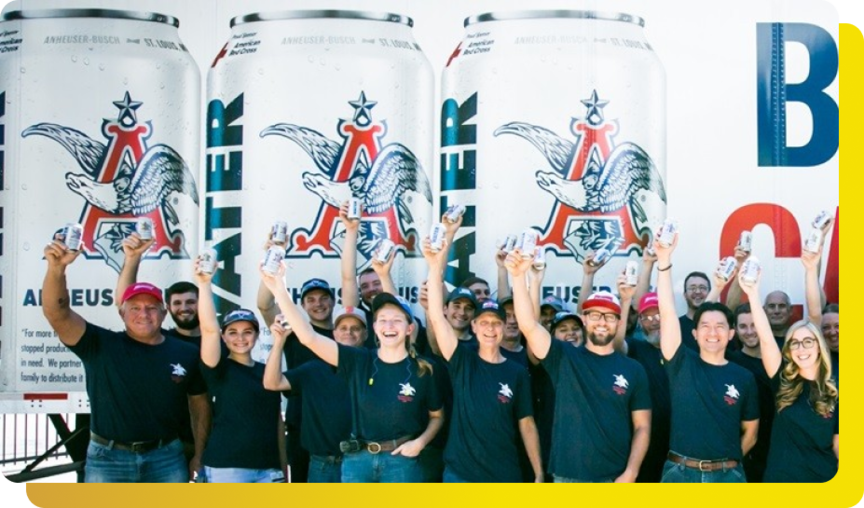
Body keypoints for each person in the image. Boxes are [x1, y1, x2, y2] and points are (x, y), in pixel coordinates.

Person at [42, 237, 208, 482]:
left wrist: (200, 454)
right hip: (107, 459)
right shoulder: (100, 345)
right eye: (135, 308)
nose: (144, 314)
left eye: (151, 308)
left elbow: (200, 406)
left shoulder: (186, 352)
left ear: (164, 313)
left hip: (167, 457)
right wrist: (57, 269)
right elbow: (57, 314)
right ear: (122, 313)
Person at [260, 263, 444, 483]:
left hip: (402, 462)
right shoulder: (358, 360)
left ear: (409, 328)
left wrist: (420, 443)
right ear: (374, 327)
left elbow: (437, 416)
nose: (389, 326)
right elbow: (308, 337)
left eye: (397, 320)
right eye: (383, 320)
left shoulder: (424, 368)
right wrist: (278, 289)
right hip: (358, 462)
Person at [506, 250, 651, 483]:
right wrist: (517, 276)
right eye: (595, 315)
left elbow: (642, 427)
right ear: (584, 319)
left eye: (609, 316)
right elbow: (529, 326)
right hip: (568, 478)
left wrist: (631, 473)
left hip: (616, 479)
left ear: (618, 322)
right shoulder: (564, 357)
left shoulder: (634, 369)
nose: (602, 322)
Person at [424, 239, 542, 483]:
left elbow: (527, 423)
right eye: (484, 322)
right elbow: (436, 317)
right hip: (460, 475)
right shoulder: (461, 359)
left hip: (504, 475)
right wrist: (435, 266)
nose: (490, 328)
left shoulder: (517, 371)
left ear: (504, 327)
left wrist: (539, 472)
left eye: (496, 323)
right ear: (474, 326)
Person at [655, 232, 759, 483]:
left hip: (728, 476)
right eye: (705, 326)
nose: (713, 332)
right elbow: (666, 312)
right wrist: (664, 260)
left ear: (731, 334)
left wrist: (726, 466)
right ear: (694, 333)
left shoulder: (744, 377)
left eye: (720, 326)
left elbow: (751, 433)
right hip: (679, 475)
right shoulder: (680, 363)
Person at [737, 270, 838, 482]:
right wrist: (753, 294)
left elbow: (840, 448)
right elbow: (766, 339)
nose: (802, 348)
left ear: (819, 346)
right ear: (789, 350)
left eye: (808, 341)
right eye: (795, 343)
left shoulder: (835, 389)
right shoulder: (783, 382)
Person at [194, 261, 285, 483]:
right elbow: (208, 329)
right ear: (224, 337)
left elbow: (277, 424)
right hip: (227, 468)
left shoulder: (268, 372)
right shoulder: (218, 368)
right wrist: (204, 284)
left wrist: (284, 469)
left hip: (268, 470)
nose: (241, 338)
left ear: (257, 335)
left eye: (247, 331)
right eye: (233, 332)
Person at [263, 307, 364, 482]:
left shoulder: (375, 367)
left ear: (366, 334)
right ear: (334, 334)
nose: (348, 332)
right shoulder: (313, 369)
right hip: (323, 465)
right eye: (343, 328)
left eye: (355, 328)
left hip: (364, 463)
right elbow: (272, 383)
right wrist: (279, 342)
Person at [619, 292, 671, 483]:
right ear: (640, 322)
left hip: (679, 450)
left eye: (658, 315)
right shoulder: (635, 348)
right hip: (644, 447)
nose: (654, 321)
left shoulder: (684, 350)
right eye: (647, 318)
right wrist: (625, 302)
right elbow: (616, 344)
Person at [726, 303, 774, 483]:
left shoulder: (780, 361)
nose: (750, 331)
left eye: (754, 325)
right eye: (743, 326)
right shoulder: (730, 361)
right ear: (735, 330)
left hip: (776, 451)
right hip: (744, 453)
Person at [678, 271, 712, 351]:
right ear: (685, 295)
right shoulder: (676, 326)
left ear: (710, 293)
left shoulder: (719, 325)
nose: (697, 292)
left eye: (702, 288)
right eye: (692, 288)